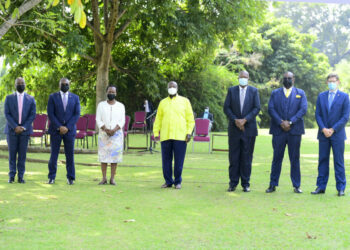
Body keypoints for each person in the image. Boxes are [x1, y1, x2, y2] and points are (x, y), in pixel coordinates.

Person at [266, 72, 307, 194]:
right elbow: (271, 109)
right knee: (276, 158)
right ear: (282, 80)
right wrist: (280, 122)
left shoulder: (301, 93)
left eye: (289, 78)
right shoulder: (275, 93)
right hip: (278, 131)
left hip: (294, 131)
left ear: (293, 79)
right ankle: (272, 185)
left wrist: (290, 122)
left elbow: (303, 109)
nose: (287, 80)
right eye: (285, 78)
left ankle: (296, 185)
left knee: (294, 159)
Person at [312, 73, 350, 196]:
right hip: (323, 134)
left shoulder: (344, 97)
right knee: (322, 160)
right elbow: (318, 114)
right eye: (329, 81)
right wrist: (323, 128)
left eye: (333, 81)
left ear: (338, 82)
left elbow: (345, 116)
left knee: (338, 161)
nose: (331, 83)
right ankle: (321, 187)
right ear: (327, 82)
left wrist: (333, 129)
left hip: (337, 134)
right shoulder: (321, 96)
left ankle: (341, 188)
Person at [153, 81, 195, 189]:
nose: (172, 88)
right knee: (166, 160)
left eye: (174, 86)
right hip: (165, 135)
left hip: (180, 136)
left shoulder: (185, 101)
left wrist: (189, 133)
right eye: (170, 86)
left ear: (177, 88)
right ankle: (168, 181)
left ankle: (177, 182)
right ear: (167, 88)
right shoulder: (162, 102)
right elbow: (158, 118)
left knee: (179, 160)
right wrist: (156, 132)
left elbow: (190, 119)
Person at [223, 71, 260, 192]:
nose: (243, 79)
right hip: (234, 129)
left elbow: (256, 108)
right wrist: (236, 120)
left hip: (249, 130)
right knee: (233, 157)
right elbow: (226, 107)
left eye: (245, 77)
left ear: (248, 78)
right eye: (241, 77)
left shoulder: (254, 91)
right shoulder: (231, 90)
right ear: (238, 78)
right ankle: (233, 183)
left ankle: (246, 183)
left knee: (247, 157)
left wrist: (245, 120)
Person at [47, 78, 80, 185]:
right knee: (54, 155)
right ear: (59, 85)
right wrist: (59, 127)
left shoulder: (75, 98)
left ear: (69, 85)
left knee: (70, 155)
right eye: (62, 84)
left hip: (69, 131)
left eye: (66, 84)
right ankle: (51, 177)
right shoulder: (53, 97)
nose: (64, 85)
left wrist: (67, 127)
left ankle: (70, 177)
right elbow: (50, 114)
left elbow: (76, 114)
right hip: (55, 130)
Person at [4, 77, 36, 183]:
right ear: (15, 85)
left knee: (22, 155)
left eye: (22, 83)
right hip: (11, 130)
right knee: (12, 154)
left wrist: (23, 127)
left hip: (25, 131)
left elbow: (32, 115)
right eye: (18, 83)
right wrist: (15, 127)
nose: (20, 85)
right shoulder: (9, 98)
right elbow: (7, 114)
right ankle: (11, 176)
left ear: (25, 85)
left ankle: (21, 177)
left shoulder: (31, 99)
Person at [96, 85, 125, 185]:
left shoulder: (120, 106)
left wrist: (114, 130)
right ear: (106, 92)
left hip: (116, 135)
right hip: (104, 134)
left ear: (116, 93)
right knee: (103, 157)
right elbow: (98, 119)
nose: (111, 93)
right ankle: (104, 178)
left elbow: (122, 120)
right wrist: (106, 129)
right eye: (109, 92)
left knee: (114, 157)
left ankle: (112, 179)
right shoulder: (101, 105)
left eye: (113, 92)